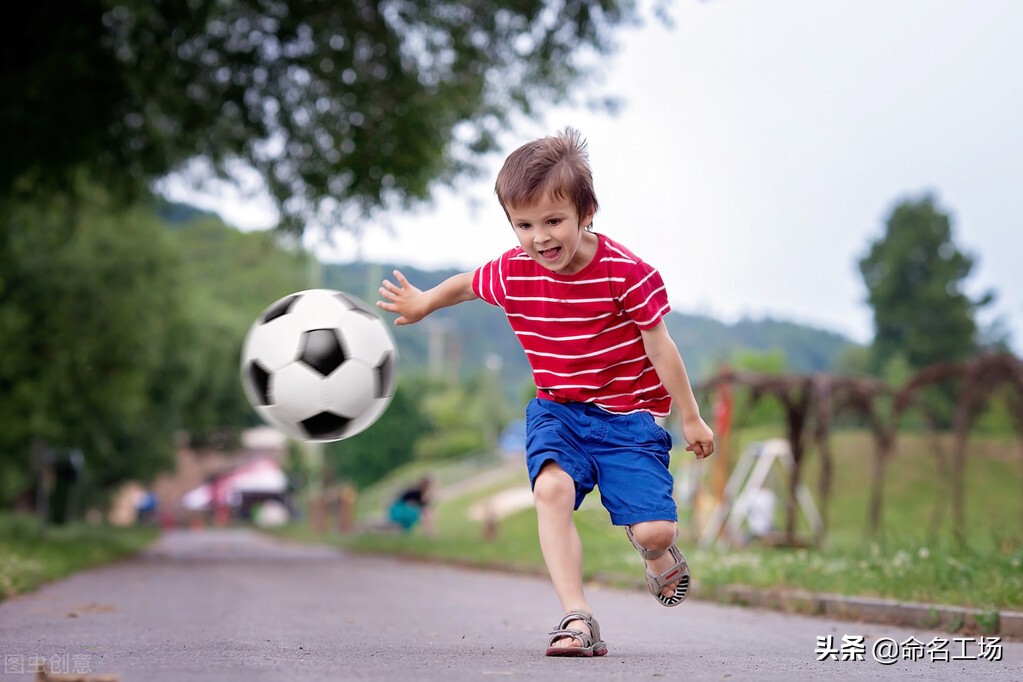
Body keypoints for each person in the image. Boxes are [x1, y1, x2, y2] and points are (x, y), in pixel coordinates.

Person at [377, 128, 714, 657]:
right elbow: (468, 283)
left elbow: (661, 347)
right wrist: (424, 305)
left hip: (630, 418)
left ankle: (653, 552)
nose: (540, 238)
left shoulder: (628, 275)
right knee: (551, 491)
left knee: (654, 531)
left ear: (587, 212)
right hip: (558, 410)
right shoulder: (515, 271)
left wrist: (691, 417)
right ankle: (576, 617)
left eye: (553, 221)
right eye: (523, 225)